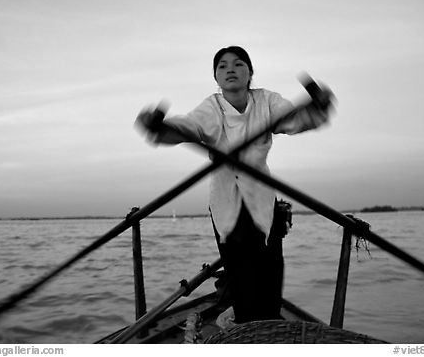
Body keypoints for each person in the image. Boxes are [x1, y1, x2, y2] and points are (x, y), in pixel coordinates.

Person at [135, 45, 335, 324]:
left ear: (250, 73)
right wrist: (157, 127)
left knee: (270, 271)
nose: (231, 69)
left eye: (239, 64)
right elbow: (185, 127)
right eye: (222, 66)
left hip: (262, 196)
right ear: (216, 78)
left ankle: (267, 326)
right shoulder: (211, 107)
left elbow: (295, 119)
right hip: (226, 200)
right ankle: (245, 327)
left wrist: (319, 106)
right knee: (241, 276)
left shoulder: (267, 101)